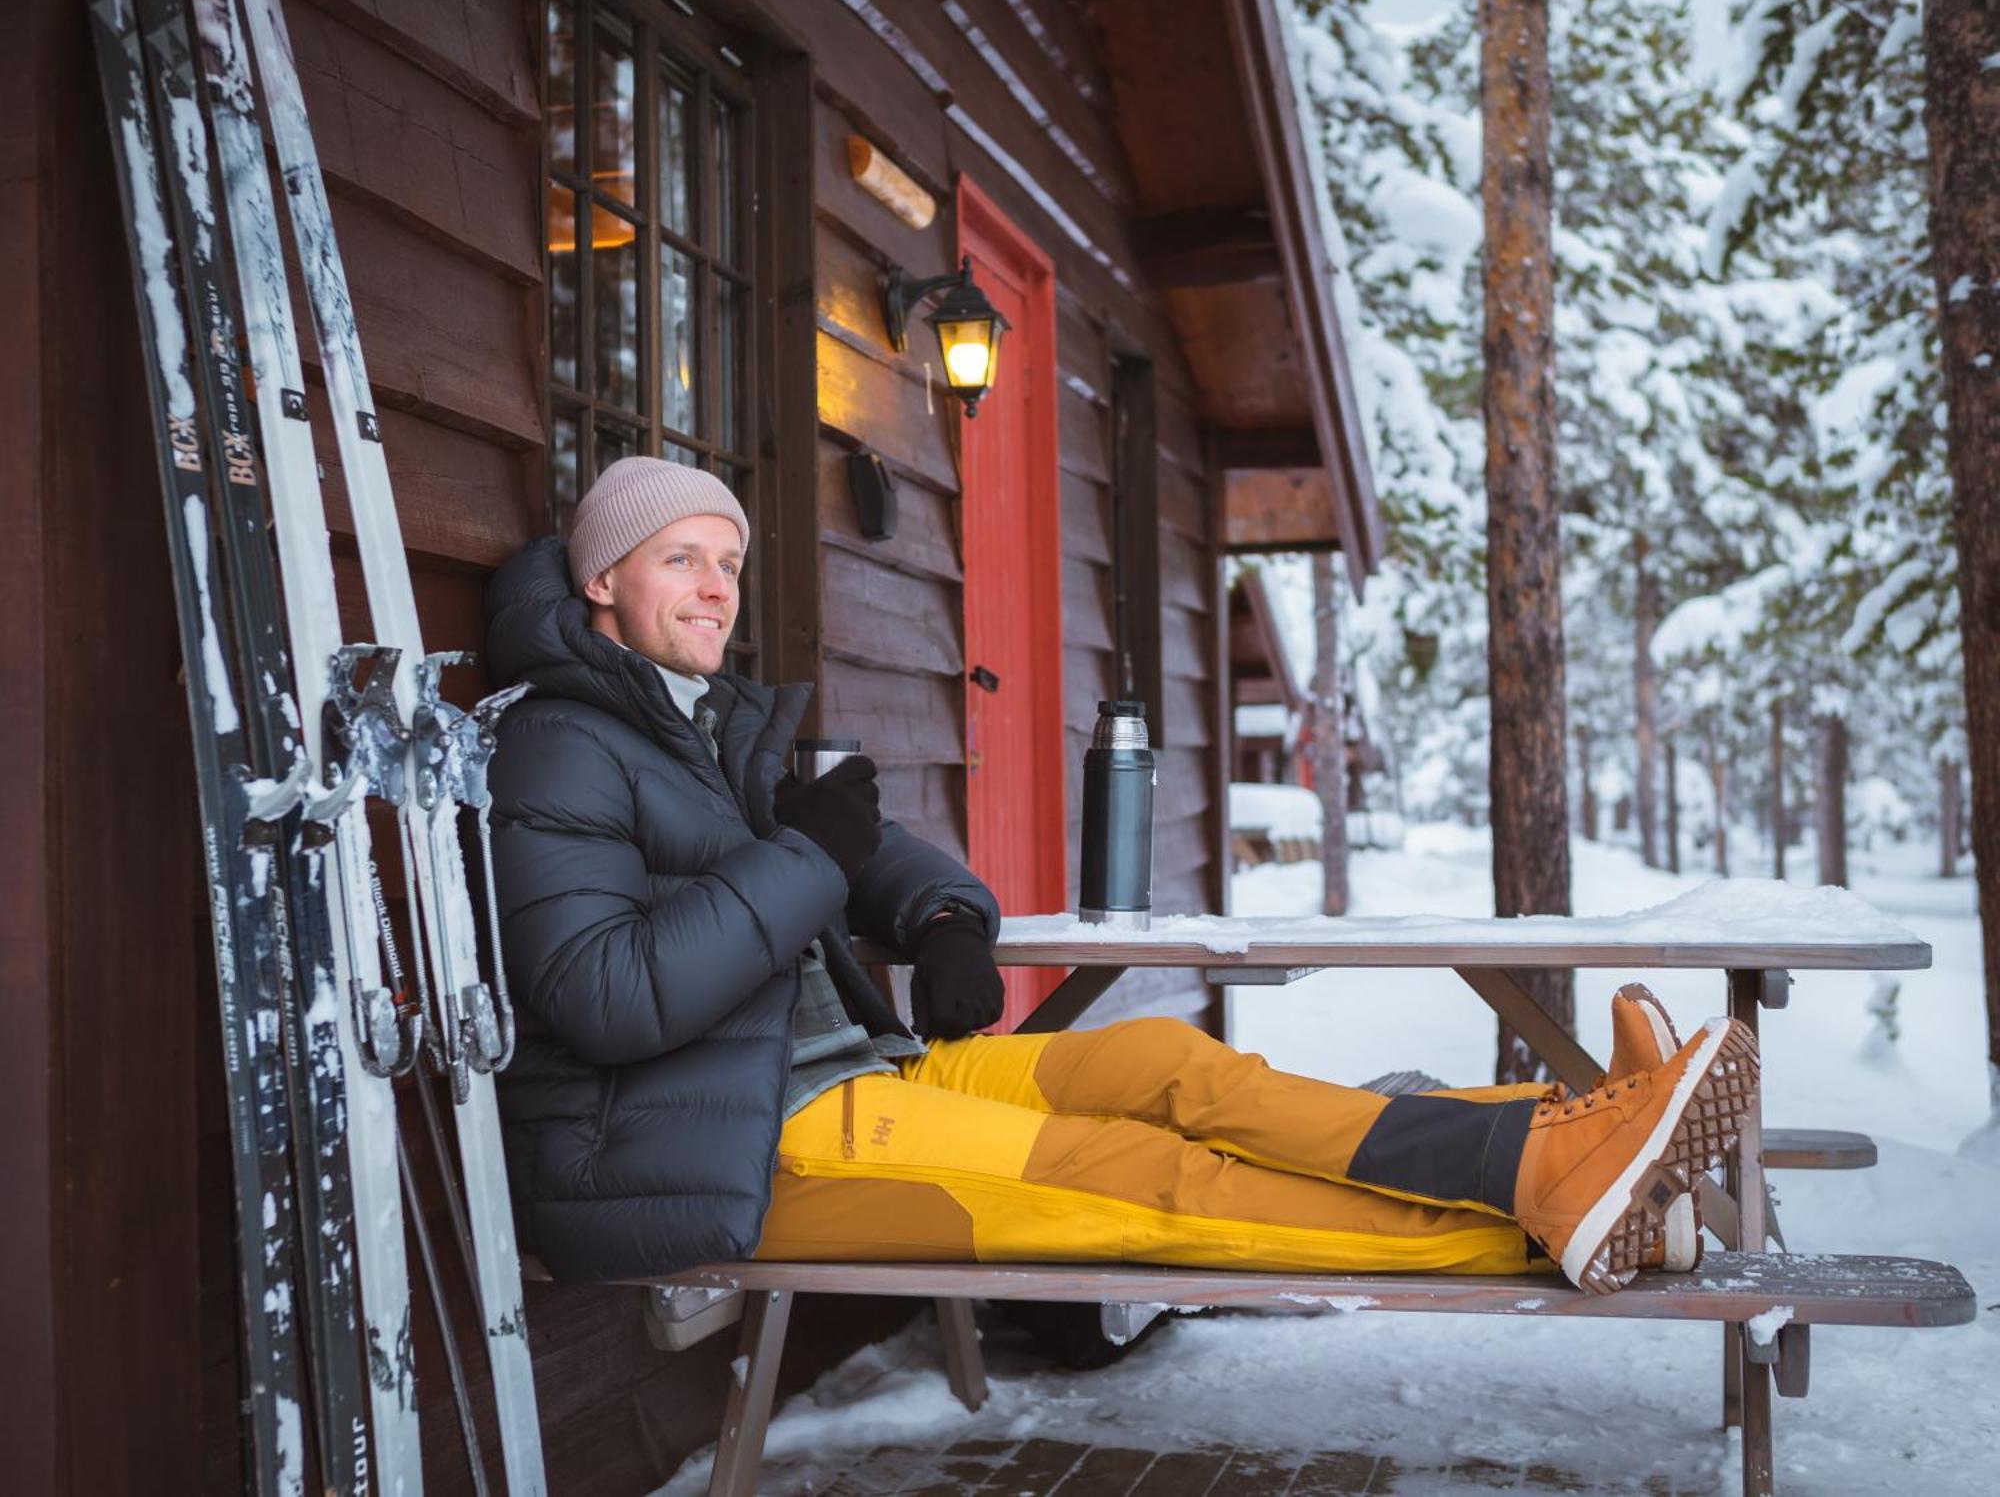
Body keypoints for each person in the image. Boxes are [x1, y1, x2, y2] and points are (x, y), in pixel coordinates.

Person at [483, 458, 1757, 1297]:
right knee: (1143, 1180)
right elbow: (607, 996)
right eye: (678, 561)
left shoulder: (702, 725)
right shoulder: (558, 743)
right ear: (603, 580)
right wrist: (809, 850)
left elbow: (857, 849)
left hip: (842, 1078)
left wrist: (942, 916)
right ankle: (1558, 1200)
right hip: (740, 1149)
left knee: (1172, 1066)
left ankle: (1557, 1140)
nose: (715, 587)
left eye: (727, 561)